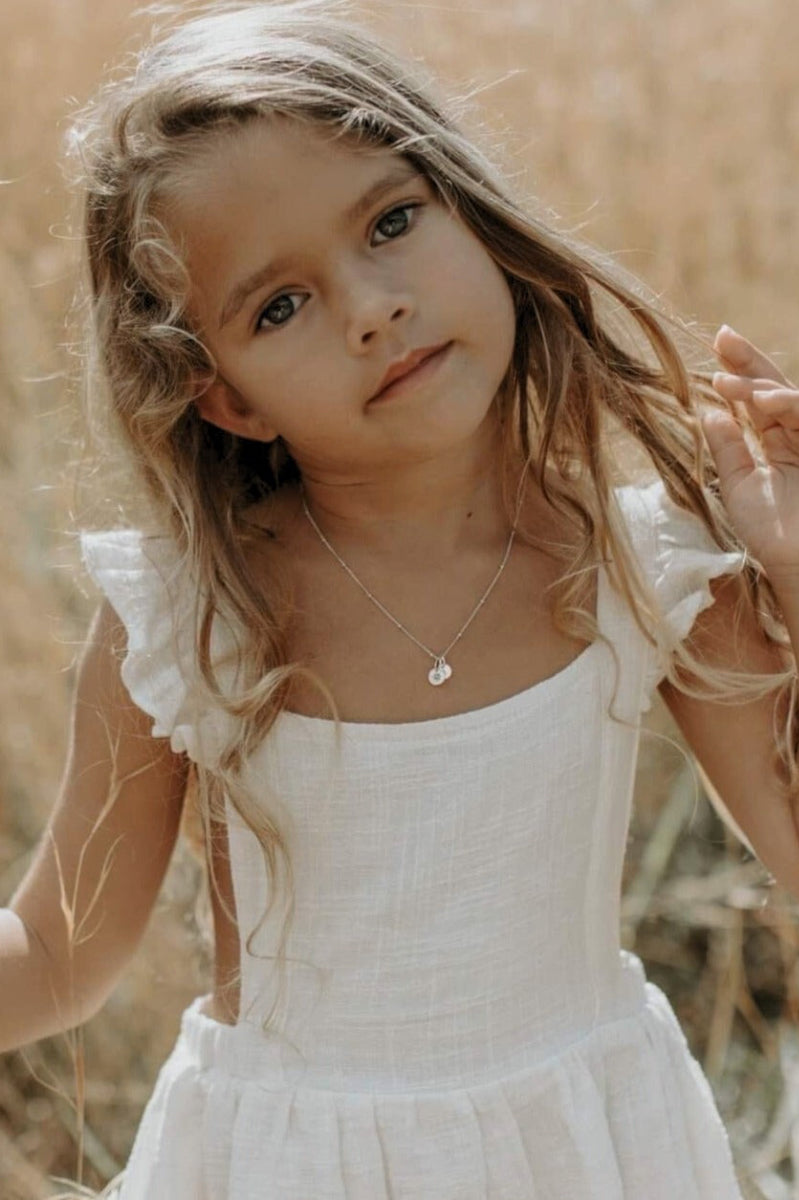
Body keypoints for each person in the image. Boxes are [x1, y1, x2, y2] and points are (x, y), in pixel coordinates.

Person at [2, 1, 797, 1196]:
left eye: (390, 221)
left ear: (470, 212)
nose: (370, 305)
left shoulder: (649, 564)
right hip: (279, 1163)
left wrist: (789, 570)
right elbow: (62, 950)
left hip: (583, 1150)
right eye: (279, 305)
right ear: (227, 399)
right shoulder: (193, 615)